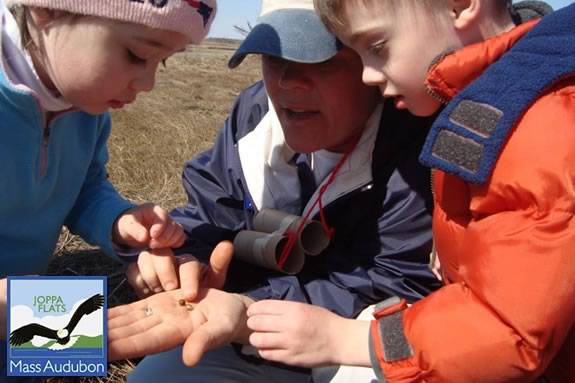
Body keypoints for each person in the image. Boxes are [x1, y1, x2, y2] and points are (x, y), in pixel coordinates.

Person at [241, 0, 575, 382]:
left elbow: (509, 331)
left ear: (461, 5)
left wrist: (351, 339)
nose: (367, 74)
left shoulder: (539, 125)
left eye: (378, 47)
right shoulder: (494, 104)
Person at [110, 0, 441, 381]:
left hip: (356, 342)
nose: (287, 83)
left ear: (372, 63)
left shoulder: (417, 147)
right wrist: (175, 253)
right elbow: (211, 213)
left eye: (320, 61)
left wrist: (251, 310)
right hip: (249, 329)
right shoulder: (256, 113)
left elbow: (399, 285)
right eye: (273, 57)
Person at [0, 0, 217, 381]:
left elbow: (83, 187)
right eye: (137, 55)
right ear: (44, 11)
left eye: (162, 62)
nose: (148, 83)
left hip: (18, 310)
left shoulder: (86, 110)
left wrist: (118, 221)